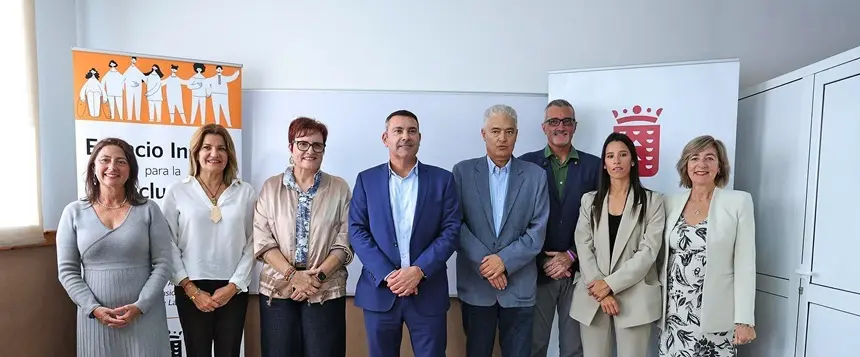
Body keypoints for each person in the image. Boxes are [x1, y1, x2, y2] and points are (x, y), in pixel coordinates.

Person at [349, 109, 462, 357]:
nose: (405, 136)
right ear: (385, 138)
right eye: (398, 131)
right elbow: (357, 231)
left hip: (427, 291)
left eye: (412, 131)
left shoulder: (442, 180)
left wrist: (419, 270)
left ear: (419, 137)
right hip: (381, 291)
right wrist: (389, 274)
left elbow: (451, 230)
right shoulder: (366, 180)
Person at [56, 137, 172, 357]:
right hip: (95, 320)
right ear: (93, 167)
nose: (112, 167)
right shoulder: (73, 212)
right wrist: (93, 308)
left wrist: (140, 306)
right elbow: (67, 271)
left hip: (145, 316)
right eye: (105, 160)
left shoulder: (149, 209)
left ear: (130, 170)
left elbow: (163, 264)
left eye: (121, 161)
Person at [452, 104, 549, 357]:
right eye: (495, 131)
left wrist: (504, 262)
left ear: (517, 134)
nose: (502, 138)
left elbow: (537, 229)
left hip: (519, 286)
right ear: (483, 134)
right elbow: (455, 225)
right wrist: (488, 265)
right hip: (476, 287)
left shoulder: (535, 176)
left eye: (509, 131)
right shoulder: (462, 172)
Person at [253, 117, 354, 357]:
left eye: (317, 145)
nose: (310, 150)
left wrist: (316, 278)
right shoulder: (271, 187)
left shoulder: (339, 188)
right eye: (303, 144)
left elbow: (346, 238)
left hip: (325, 289)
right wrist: (293, 276)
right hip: (277, 289)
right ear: (291, 147)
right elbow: (263, 239)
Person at [162, 124, 256, 357]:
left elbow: (254, 241)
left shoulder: (245, 192)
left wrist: (234, 286)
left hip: (233, 288)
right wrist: (191, 290)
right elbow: (167, 242)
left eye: (221, 148)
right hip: (190, 287)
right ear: (196, 152)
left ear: (229, 154)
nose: (214, 154)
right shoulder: (177, 191)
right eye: (207, 147)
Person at [658, 135, 757, 357]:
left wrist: (744, 320)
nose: (701, 164)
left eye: (709, 158)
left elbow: (745, 265)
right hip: (674, 312)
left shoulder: (738, 202)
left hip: (716, 314)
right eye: (694, 158)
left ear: (720, 166)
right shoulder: (669, 202)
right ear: (686, 165)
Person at [569, 132, 665, 357]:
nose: (616, 161)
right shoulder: (589, 201)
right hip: (593, 295)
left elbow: (648, 252)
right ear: (604, 163)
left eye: (623, 155)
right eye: (610, 156)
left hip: (635, 296)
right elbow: (583, 245)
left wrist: (610, 285)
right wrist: (602, 291)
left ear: (632, 161)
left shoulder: (653, 201)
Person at [518, 99, 600, 357]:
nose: (560, 126)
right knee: (534, 345)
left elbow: (601, 222)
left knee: (574, 348)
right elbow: (515, 220)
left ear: (575, 126)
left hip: (578, 272)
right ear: (544, 127)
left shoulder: (595, 166)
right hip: (536, 271)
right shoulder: (525, 165)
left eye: (567, 121)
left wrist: (572, 254)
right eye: (553, 121)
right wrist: (541, 259)